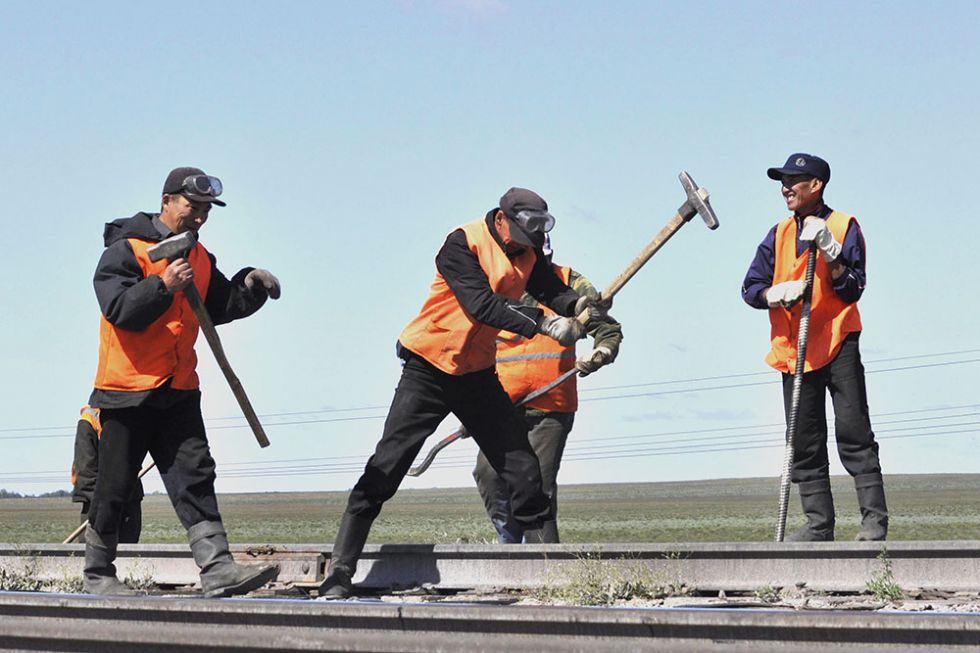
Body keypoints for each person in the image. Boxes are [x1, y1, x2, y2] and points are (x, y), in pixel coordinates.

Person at [319, 187, 605, 598]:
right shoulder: (462, 243)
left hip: (476, 374)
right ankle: (340, 573)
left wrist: (576, 304)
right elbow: (481, 305)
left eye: (535, 240)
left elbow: (547, 287)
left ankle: (552, 577)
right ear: (503, 218)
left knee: (524, 471)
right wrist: (543, 324)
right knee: (387, 466)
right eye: (523, 238)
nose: (529, 247)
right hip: (428, 369)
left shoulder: (529, 248)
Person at [85, 166, 283, 596]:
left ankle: (217, 569)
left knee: (195, 477)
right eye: (193, 207)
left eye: (206, 211)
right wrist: (163, 285)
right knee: (115, 484)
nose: (199, 218)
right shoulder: (125, 250)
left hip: (178, 389)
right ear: (167, 202)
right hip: (127, 391)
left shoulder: (198, 256)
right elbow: (118, 309)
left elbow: (219, 305)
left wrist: (249, 285)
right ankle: (98, 574)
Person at [741, 153, 888, 542]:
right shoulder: (778, 234)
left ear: (816, 185)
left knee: (854, 431)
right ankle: (818, 525)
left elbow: (853, 288)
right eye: (783, 181)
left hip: (838, 340)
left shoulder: (843, 226)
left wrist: (830, 253)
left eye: (794, 180)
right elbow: (749, 288)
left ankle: (874, 521)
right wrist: (774, 294)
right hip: (795, 349)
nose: (785, 187)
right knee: (804, 440)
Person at [472, 235, 623, 543]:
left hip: (551, 404)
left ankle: (545, 563)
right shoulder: (496, 285)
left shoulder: (568, 283)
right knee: (488, 475)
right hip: (500, 404)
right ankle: (511, 546)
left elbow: (606, 327)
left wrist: (601, 353)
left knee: (538, 484)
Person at [71, 405, 143, 543]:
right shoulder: (89, 420)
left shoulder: (131, 414)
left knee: (128, 557)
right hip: (98, 504)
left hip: (129, 501)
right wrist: (106, 503)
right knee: (94, 555)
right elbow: (86, 472)